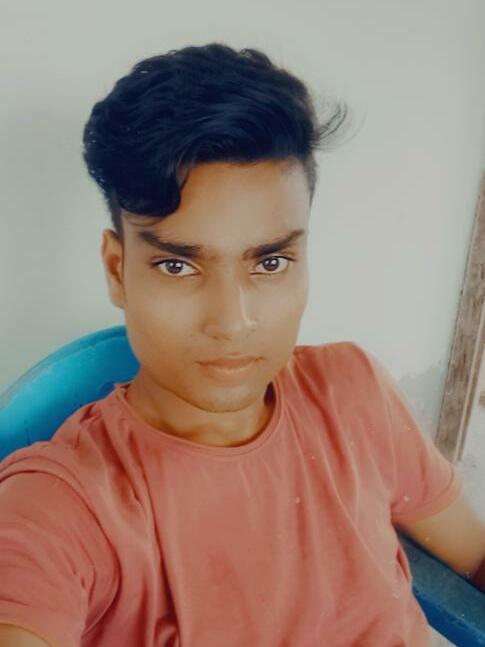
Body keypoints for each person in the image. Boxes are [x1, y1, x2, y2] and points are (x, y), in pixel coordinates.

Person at [0, 42, 483, 647]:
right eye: (178, 266)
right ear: (118, 269)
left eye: (270, 262)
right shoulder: (62, 503)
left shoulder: (354, 393)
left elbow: (474, 554)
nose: (232, 322)